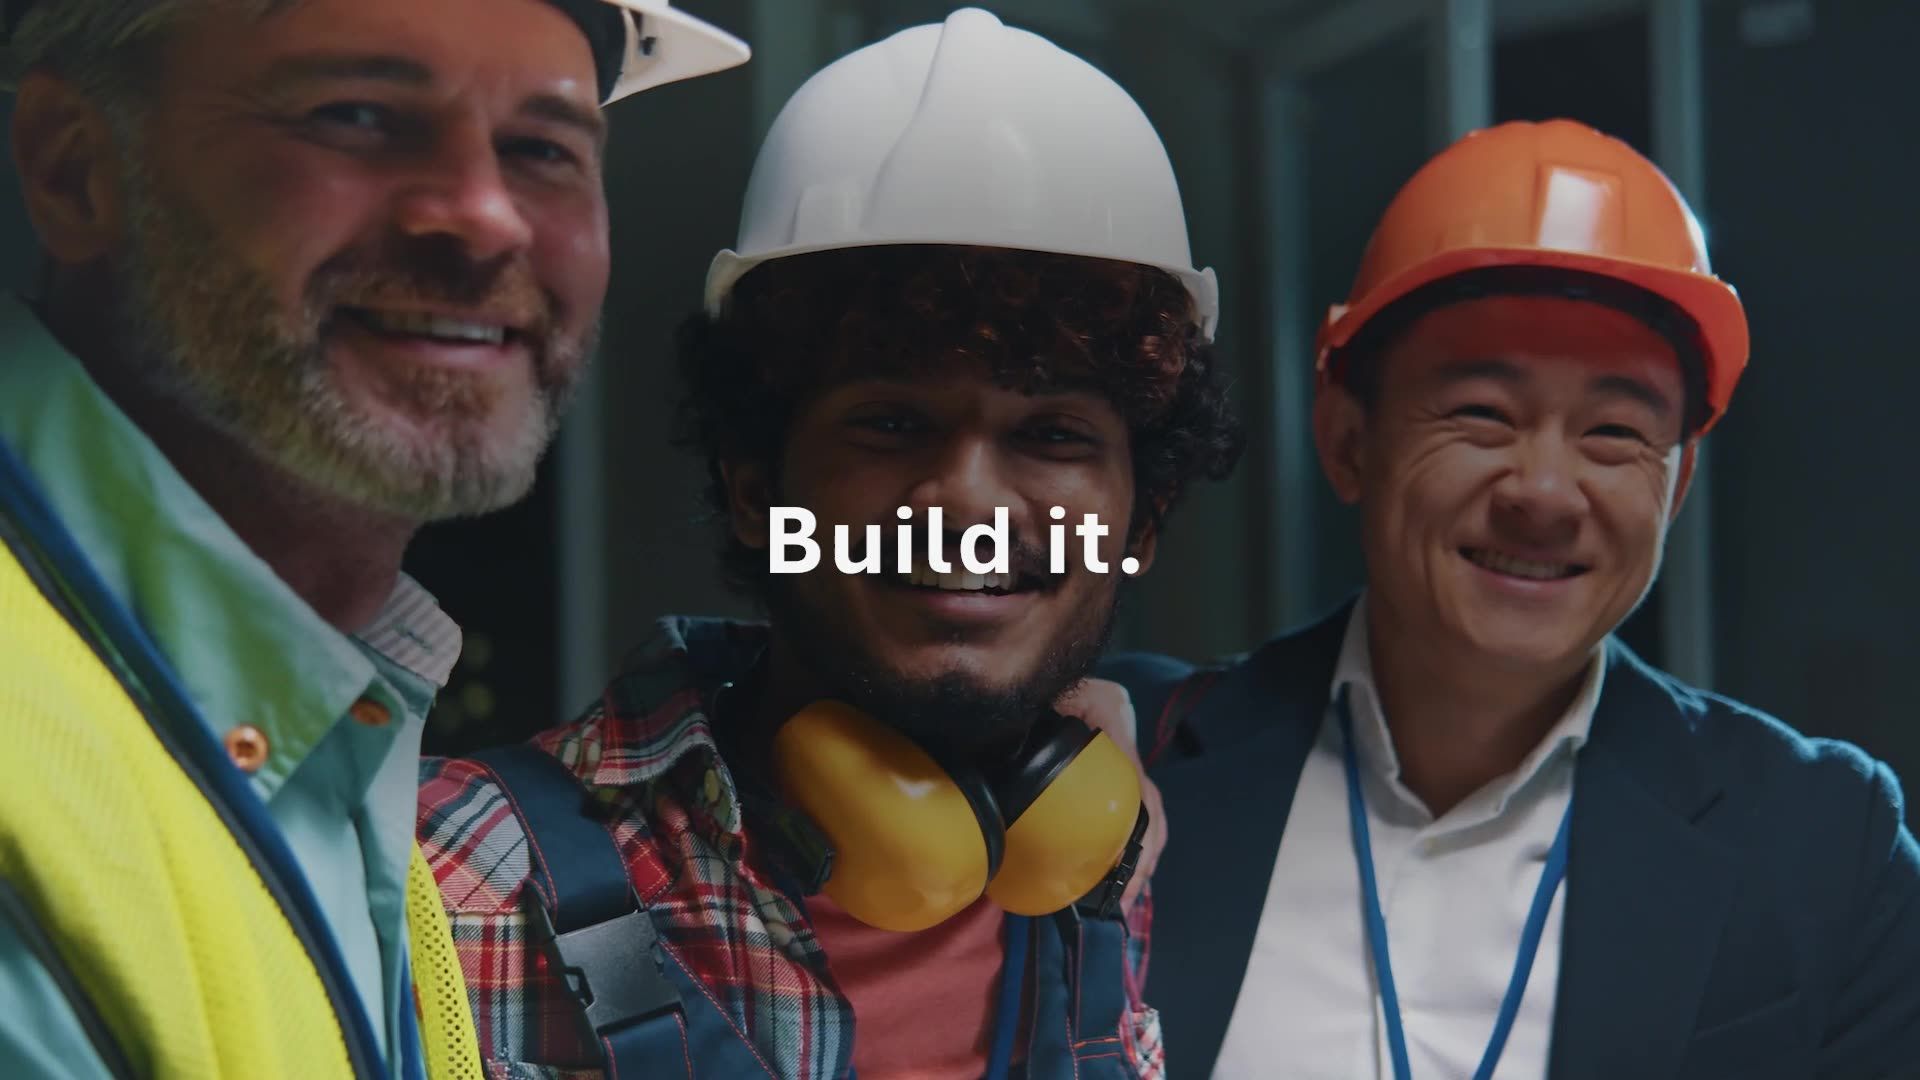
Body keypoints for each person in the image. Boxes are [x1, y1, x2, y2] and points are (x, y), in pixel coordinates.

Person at [414, 9, 1241, 1078]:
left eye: (1053, 434)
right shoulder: (454, 886)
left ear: (1145, 520)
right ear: (754, 483)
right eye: (893, 422)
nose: (971, 504)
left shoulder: (1135, 875)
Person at [0, 1, 746, 1076]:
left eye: (542, 148)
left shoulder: (331, 732)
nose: (485, 216)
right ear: (74, 170)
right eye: (356, 115)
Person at [1104, 119, 1920, 1079]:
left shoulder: (1824, 847)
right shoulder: (1125, 757)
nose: (1542, 492)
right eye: (1482, 414)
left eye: (1615, 432)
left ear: (1679, 482)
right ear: (1347, 441)